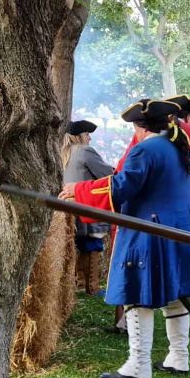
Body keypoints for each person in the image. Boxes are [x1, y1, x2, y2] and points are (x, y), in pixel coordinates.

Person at [61, 99, 190, 378]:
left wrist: (79, 190)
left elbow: (121, 187)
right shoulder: (187, 151)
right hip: (187, 232)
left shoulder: (144, 149)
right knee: (176, 295)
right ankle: (179, 357)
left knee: (136, 295)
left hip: (150, 231)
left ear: (139, 127)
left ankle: (138, 365)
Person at [62, 120, 115, 295]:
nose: (90, 138)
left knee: (79, 243)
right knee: (92, 243)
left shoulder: (64, 151)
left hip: (69, 204)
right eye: (87, 134)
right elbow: (107, 173)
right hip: (87, 202)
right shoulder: (84, 150)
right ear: (79, 136)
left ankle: (80, 284)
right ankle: (91, 287)